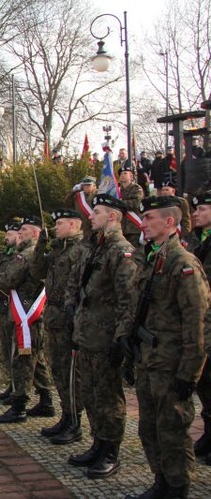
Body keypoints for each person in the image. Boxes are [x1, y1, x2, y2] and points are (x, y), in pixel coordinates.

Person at [124, 196, 208, 499]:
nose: (142, 224)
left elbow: (197, 322)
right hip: (150, 359)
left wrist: (190, 373)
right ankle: (161, 480)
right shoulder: (152, 258)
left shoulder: (182, 264)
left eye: (148, 218)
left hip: (172, 363)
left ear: (169, 222)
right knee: (149, 427)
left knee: (172, 429)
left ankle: (178, 487)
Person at [65, 194, 137, 479]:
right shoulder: (94, 247)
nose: (90, 216)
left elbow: (127, 300)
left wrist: (121, 338)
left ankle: (111, 450)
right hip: (86, 333)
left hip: (105, 336)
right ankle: (98, 442)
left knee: (108, 397)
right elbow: (76, 280)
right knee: (91, 392)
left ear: (113, 216)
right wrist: (72, 306)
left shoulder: (121, 251)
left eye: (96, 212)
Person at [0, 215, 53, 424]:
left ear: (36, 233)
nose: (20, 235)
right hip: (28, 312)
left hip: (27, 314)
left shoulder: (27, 254)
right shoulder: (30, 253)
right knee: (35, 360)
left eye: (24, 232)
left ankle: (19, 405)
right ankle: (46, 401)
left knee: (24, 359)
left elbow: (8, 279)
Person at [30, 209, 88, 445]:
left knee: (72, 373)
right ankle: (66, 415)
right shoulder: (59, 247)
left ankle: (75, 421)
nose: (56, 227)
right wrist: (42, 244)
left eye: (60, 223)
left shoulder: (80, 250)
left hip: (69, 316)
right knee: (59, 371)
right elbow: (37, 272)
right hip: (54, 315)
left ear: (74, 225)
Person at [187, 192, 211, 464]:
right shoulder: (197, 239)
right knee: (205, 382)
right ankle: (208, 431)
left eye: (202, 209)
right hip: (202, 318)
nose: (196, 214)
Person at [0, 221, 22, 403]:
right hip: (2, 307)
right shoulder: (6, 254)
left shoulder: (19, 256)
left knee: (14, 351)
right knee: (6, 349)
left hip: (15, 307)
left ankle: (17, 387)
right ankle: (12, 384)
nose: (6, 237)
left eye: (10, 234)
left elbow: (7, 279)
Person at [118, 163, 145, 247]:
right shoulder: (117, 190)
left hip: (133, 227)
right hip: (120, 226)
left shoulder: (137, 189)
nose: (122, 175)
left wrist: (120, 202)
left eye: (125, 173)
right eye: (121, 174)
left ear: (131, 176)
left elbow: (135, 203)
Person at [158, 173, 191, 239]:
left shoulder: (181, 202)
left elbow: (186, 220)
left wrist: (185, 236)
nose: (164, 192)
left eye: (167, 190)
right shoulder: (159, 203)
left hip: (178, 233)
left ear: (173, 191)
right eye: (163, 190)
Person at [64, 176, 98, 241]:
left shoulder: (99, 194)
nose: (86, 187)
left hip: (96, 229)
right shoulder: (78, 196)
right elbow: (67, 203)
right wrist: (73, 191)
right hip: (83, 229)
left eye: (88, 185)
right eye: (84, 185)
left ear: (94, 186)